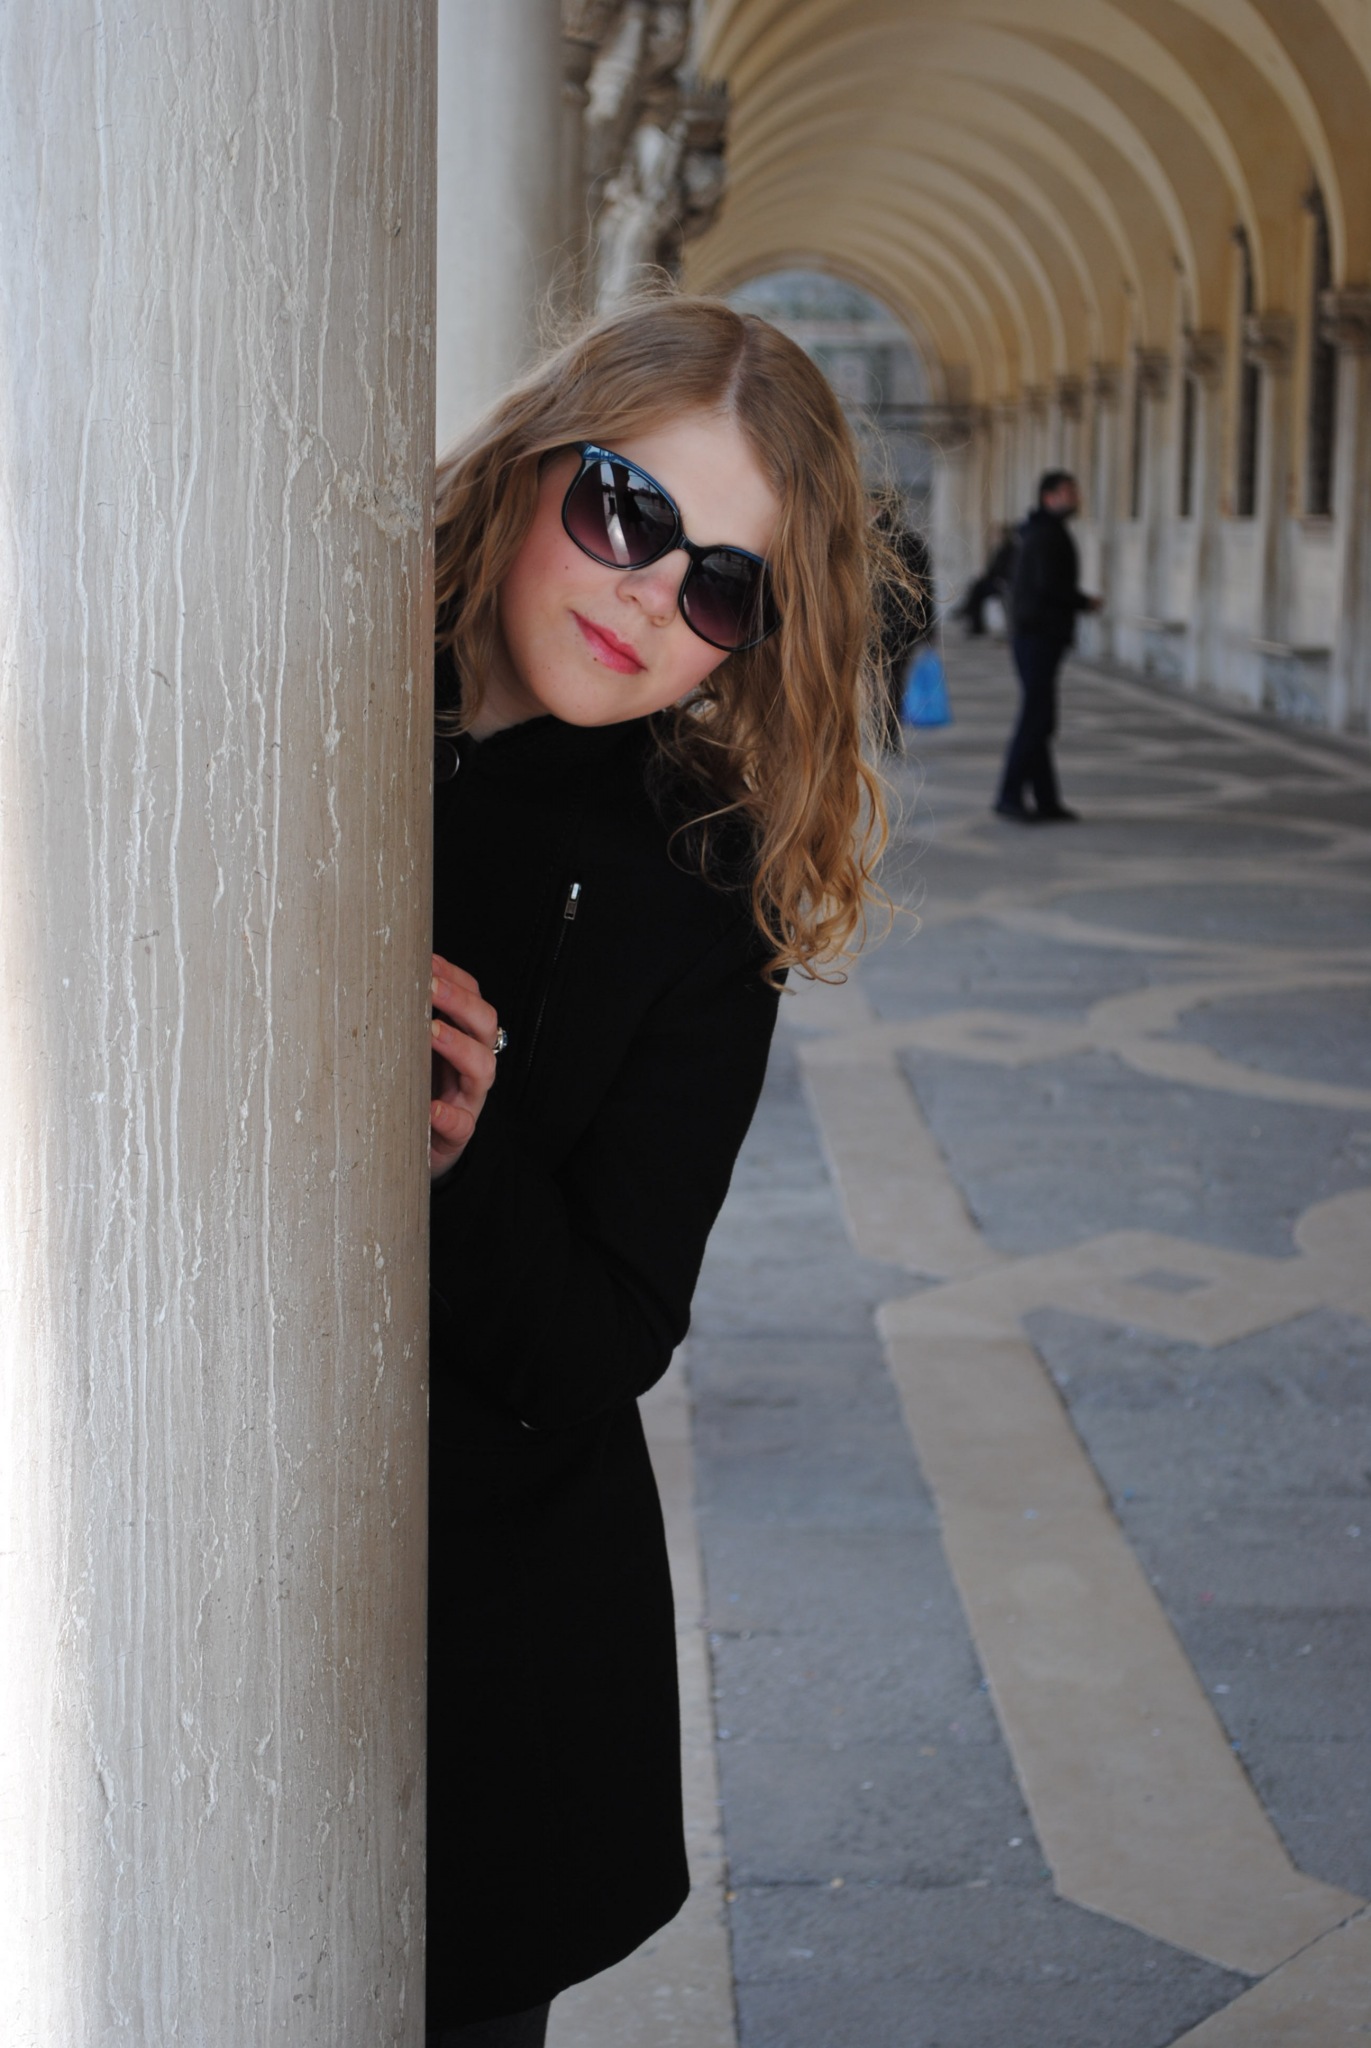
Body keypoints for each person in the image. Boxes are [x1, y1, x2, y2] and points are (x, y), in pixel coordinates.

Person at [423, 294, 895, 2047]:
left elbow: (607, 1332)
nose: (646, 596)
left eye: (721, 585)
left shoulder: (697, 893)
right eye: (626, 512)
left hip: (478, 1644)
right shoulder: (284, 695)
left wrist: (461, 1155)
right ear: (535, 459)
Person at [994, 470, 1100, 822]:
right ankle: (1009, 795)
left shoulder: (1042, 531)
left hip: (1037, 636)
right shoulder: (1044, 535)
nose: (1076, 498)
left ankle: (1046, 800)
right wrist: (1083, 602)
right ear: (1049, 497)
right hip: (1037, 636)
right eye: (1069, 492)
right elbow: (1048, 587)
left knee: (1041, 719)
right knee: (1036, 719)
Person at [870, 493, 932, 747]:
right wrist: (927, 626)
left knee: (875, 680)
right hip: (903, 626)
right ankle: (888, 730)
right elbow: (926, 589)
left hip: (873, 624)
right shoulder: (912, 541)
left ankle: (879, 728)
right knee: (895, 679)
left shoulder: (867, 541)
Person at [954, 523, 1018, 636]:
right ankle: (971, 616)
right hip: (996, 581)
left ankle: (967, 611)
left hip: (1002, 583)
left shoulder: (1010, 550)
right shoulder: (1001, 550)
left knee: (978, 589)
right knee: (976, 586)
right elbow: (992, 570)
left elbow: (1006, 571)